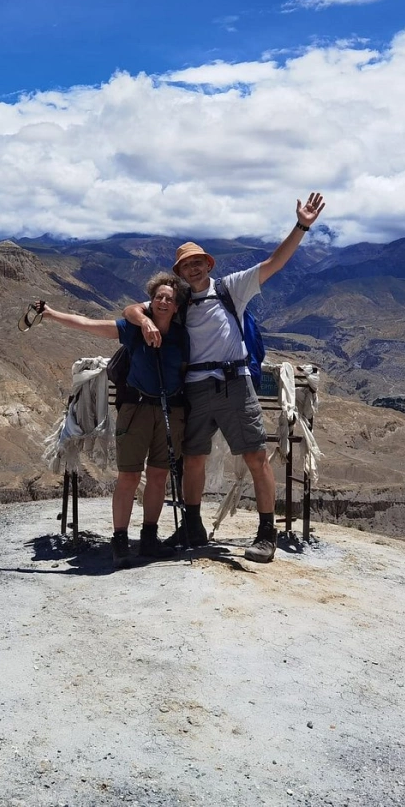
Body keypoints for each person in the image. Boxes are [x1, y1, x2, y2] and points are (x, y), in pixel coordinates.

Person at [124, 192, 326, 563]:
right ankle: (193, 525)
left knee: (255, 456)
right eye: (188, 266)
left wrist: (302, 226)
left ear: (208, 265)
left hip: (235, 384)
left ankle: (267, 532)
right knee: (193, 459)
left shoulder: (232, 288)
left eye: (199, 262)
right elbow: (135, 308)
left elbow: (273, 263)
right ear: (180, 273)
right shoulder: (179, 303)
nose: (195, 269)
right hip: (196, 389)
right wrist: (145, 319)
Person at [39, 272, 190, 568]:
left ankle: (149, 538)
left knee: (158, 475)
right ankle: (120, 540)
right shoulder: (133, 330)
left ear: (176, 307)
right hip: (137, 408)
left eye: (169, 299)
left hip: (171, 410)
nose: (162, 301)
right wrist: (52, 314)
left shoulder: (182, 336)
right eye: (158, 296)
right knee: (130, 477)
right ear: (151, 301)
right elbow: (88, 325)